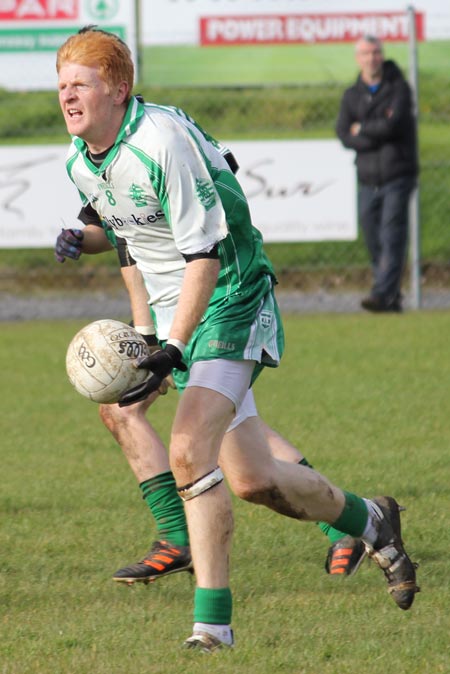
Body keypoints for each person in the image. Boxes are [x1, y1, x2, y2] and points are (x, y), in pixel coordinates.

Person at [56, 26, 419, 652]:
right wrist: (85, 246)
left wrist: (171, 345)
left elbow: (204, 254)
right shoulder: (79, 157)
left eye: (79, 84)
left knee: (190, 452)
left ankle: (213, 628)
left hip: (229, 292)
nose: (66, 96)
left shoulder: (160, 140)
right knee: (250, 477)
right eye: (60, 85)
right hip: (180, 307)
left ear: (117, 89)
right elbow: (125, 231)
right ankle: (370, 519)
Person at [56, 222, 365, 580]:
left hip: (210, 297)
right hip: (164, 300)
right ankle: (177, 538)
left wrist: (152, 337)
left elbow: (198, 215)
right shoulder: (92, 168)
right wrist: (84, 238)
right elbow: (115, 228)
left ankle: (346, 524)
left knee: (221, 427)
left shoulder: (168, 166)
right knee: (133, 412)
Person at [336, 34, 418, 313]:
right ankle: (391, 294)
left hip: (397, 174)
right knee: (373, 236)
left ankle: (382, 295)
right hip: (368, 178)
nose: (372, 58)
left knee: (392, 233)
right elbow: (344, 133)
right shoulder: (351, 94)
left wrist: (364, 129)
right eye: (366, 53)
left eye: (376, 52)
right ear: (358, 58)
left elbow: (393, 126)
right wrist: (372, 131)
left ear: (382, 55)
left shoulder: (399, 89)